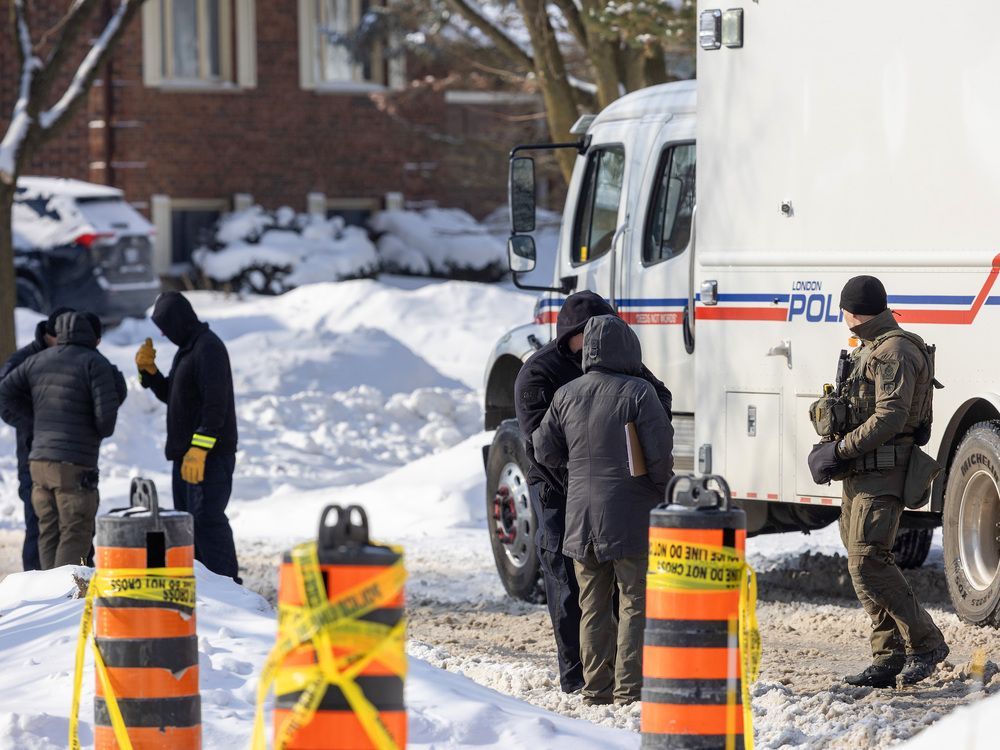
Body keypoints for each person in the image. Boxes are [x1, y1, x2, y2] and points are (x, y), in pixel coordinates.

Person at [513, 291, 673, 695]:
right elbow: (659, 452)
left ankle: (596, 685)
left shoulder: (575, 390)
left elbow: (543, 446)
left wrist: (582, 469)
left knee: (592, 602)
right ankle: (619, 684)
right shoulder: (631, 388)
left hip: (580, 506)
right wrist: (653, 485)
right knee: (622, 597)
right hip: (591, 504)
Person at [809, 275, 948, 687]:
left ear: (852, 312)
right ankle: (888, 654)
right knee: (861, 565)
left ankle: (926, 643)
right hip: (861, 472)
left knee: (868, 560)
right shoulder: (872, 347)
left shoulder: (894, 351)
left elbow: (890, 416)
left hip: (882, 473)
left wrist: (839, 450)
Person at [0, 312, 122, 569]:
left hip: (38, 463)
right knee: (75, 531)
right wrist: (87, 429)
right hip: (74, 465)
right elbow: (106, 422)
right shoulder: (94, 363)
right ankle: (65, 598)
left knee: (49, 531)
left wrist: (37, 423)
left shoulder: (37, 360)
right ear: (93, 337)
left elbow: (5, 392)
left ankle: (48, 592)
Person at [136, 291, 241, 582]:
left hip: (209, 456)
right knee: (189, 524)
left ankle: (229, 588)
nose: (163, 334)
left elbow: (215, 405)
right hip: (188, 456)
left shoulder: (208, 348)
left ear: (179, 321)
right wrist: (151, 374)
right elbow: (177, 397)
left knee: (208, 521)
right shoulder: (189, 348)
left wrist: (200, 448)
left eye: (165, 327)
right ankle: (205, 588)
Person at [0, 307, 73, 570]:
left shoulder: (73, 355)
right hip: (32, 456)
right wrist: (41, 423)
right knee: (38, 524)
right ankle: (34, 586)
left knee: (72, 526)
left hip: (70, 459)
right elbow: (5, 402)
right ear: (50, 335)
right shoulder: (23, 360)